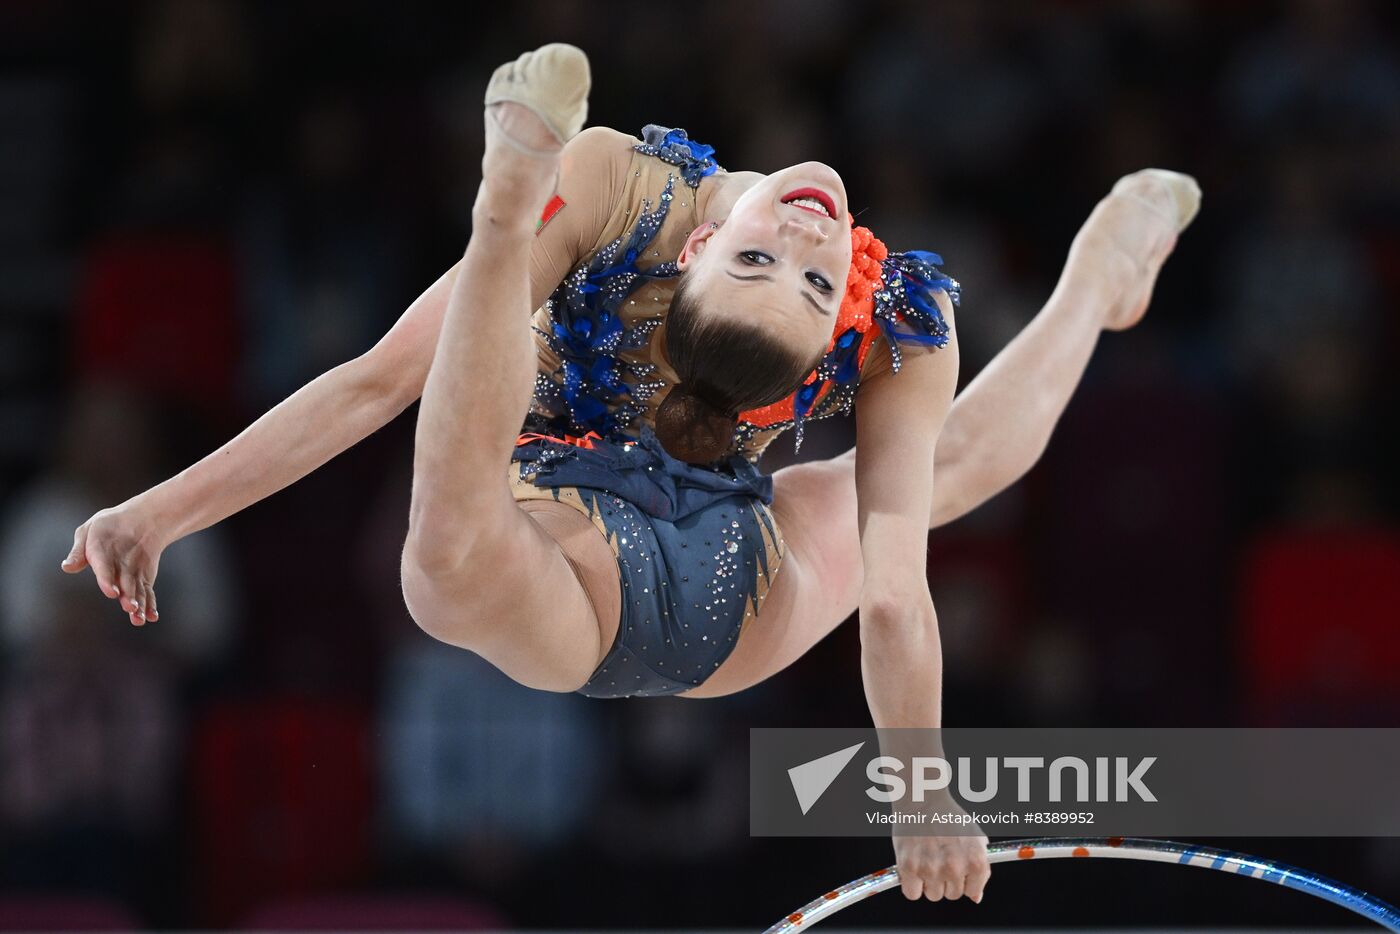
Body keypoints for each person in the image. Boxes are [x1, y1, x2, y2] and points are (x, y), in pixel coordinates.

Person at [60, 44, 1200, 904]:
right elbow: (375, 381)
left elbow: (896, 589)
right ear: (697, 248)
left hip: (722, 581)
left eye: (805, 283)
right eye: (773, 264)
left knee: (919, 475)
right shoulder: (616, 185)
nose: (808, 245)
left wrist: (921, 789)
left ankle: (1093, 283)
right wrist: (161, 512)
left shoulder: (901, 321)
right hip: (562, 530)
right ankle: (499, 227)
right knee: (455, 529)